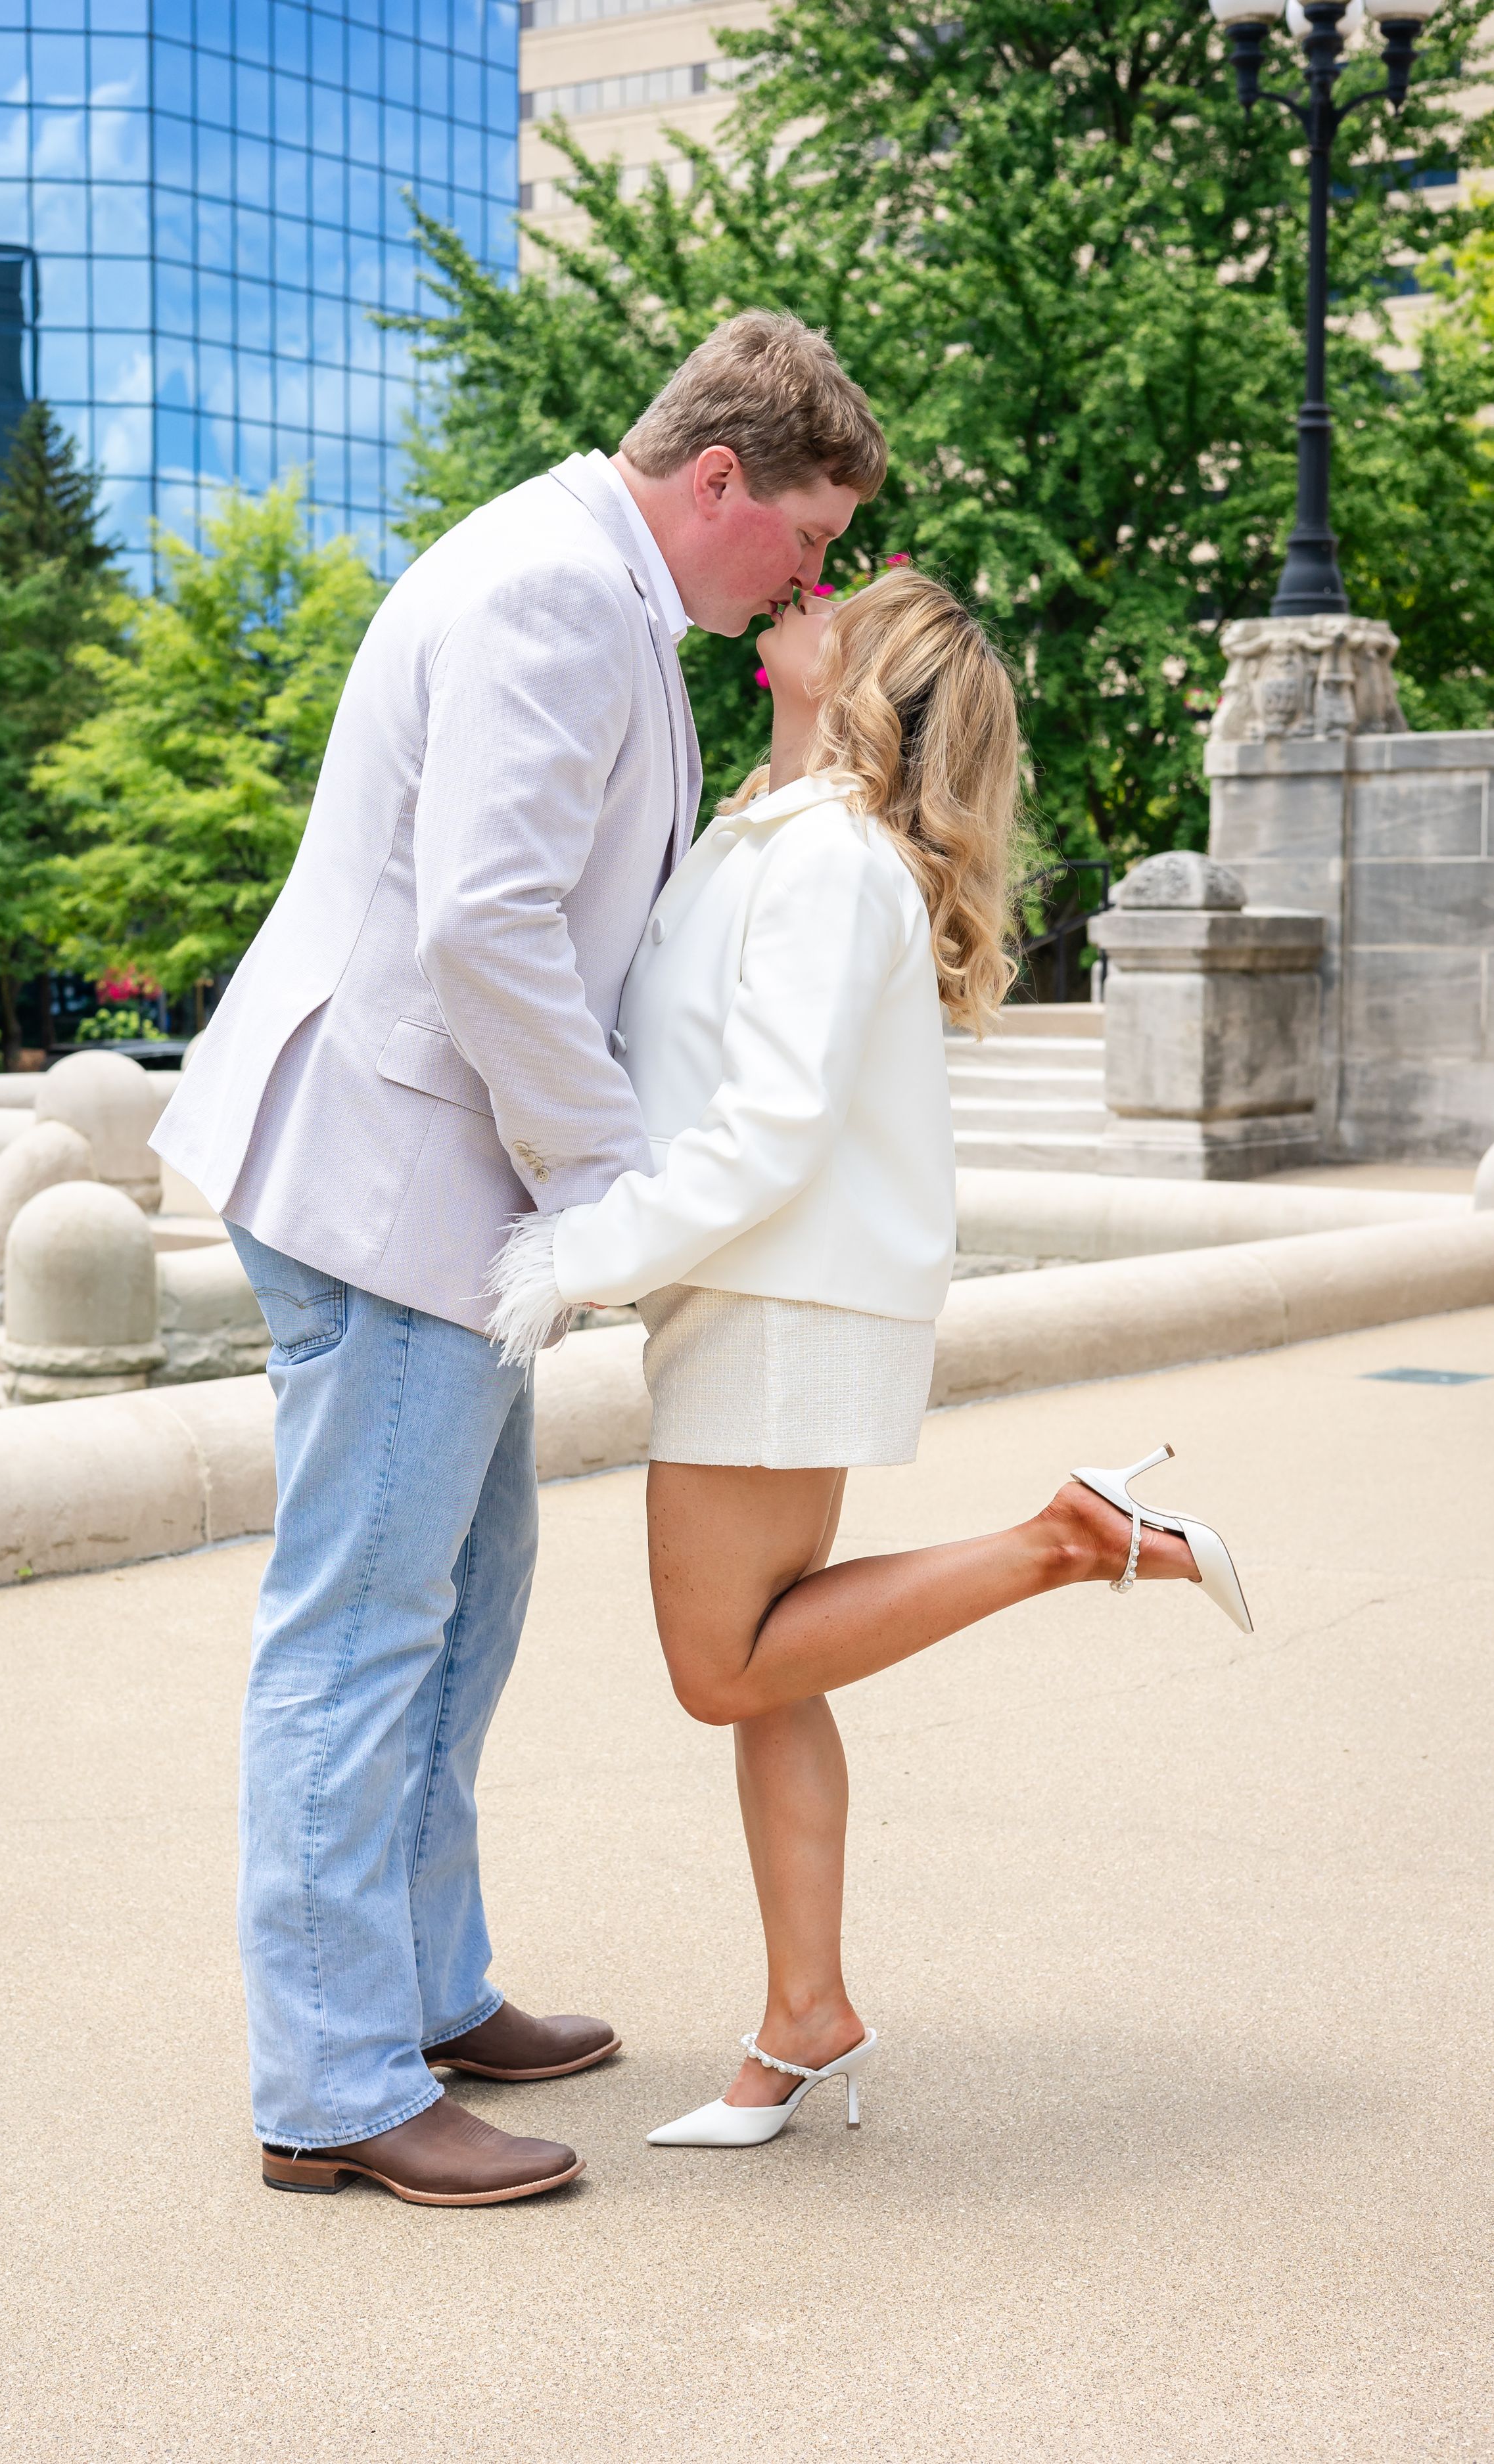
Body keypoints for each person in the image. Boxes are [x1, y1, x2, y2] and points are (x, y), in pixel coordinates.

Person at [150, 312, 890, 2206]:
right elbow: (489, 927)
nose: (806, 580)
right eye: (801, 539)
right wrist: (612, 1197)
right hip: (396, 1181)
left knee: (463, 1600)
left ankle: (418, 1985)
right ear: (716, 480)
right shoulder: (556, 596)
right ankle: (330, 2086)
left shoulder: (578, 581)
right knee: (365, 1628)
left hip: (416, 1180)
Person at [488, 569, 1253, 2151]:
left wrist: (580, 1260)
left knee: (723, 1669)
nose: (806, 591)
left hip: (780, 1300)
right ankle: (804, 2020)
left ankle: (1065, 1539)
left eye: (846, 599)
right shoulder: (770, 833)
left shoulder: (828, 858)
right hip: (767, 1295)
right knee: (782, 1671)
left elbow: (770, 1127)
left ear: (863, 680)